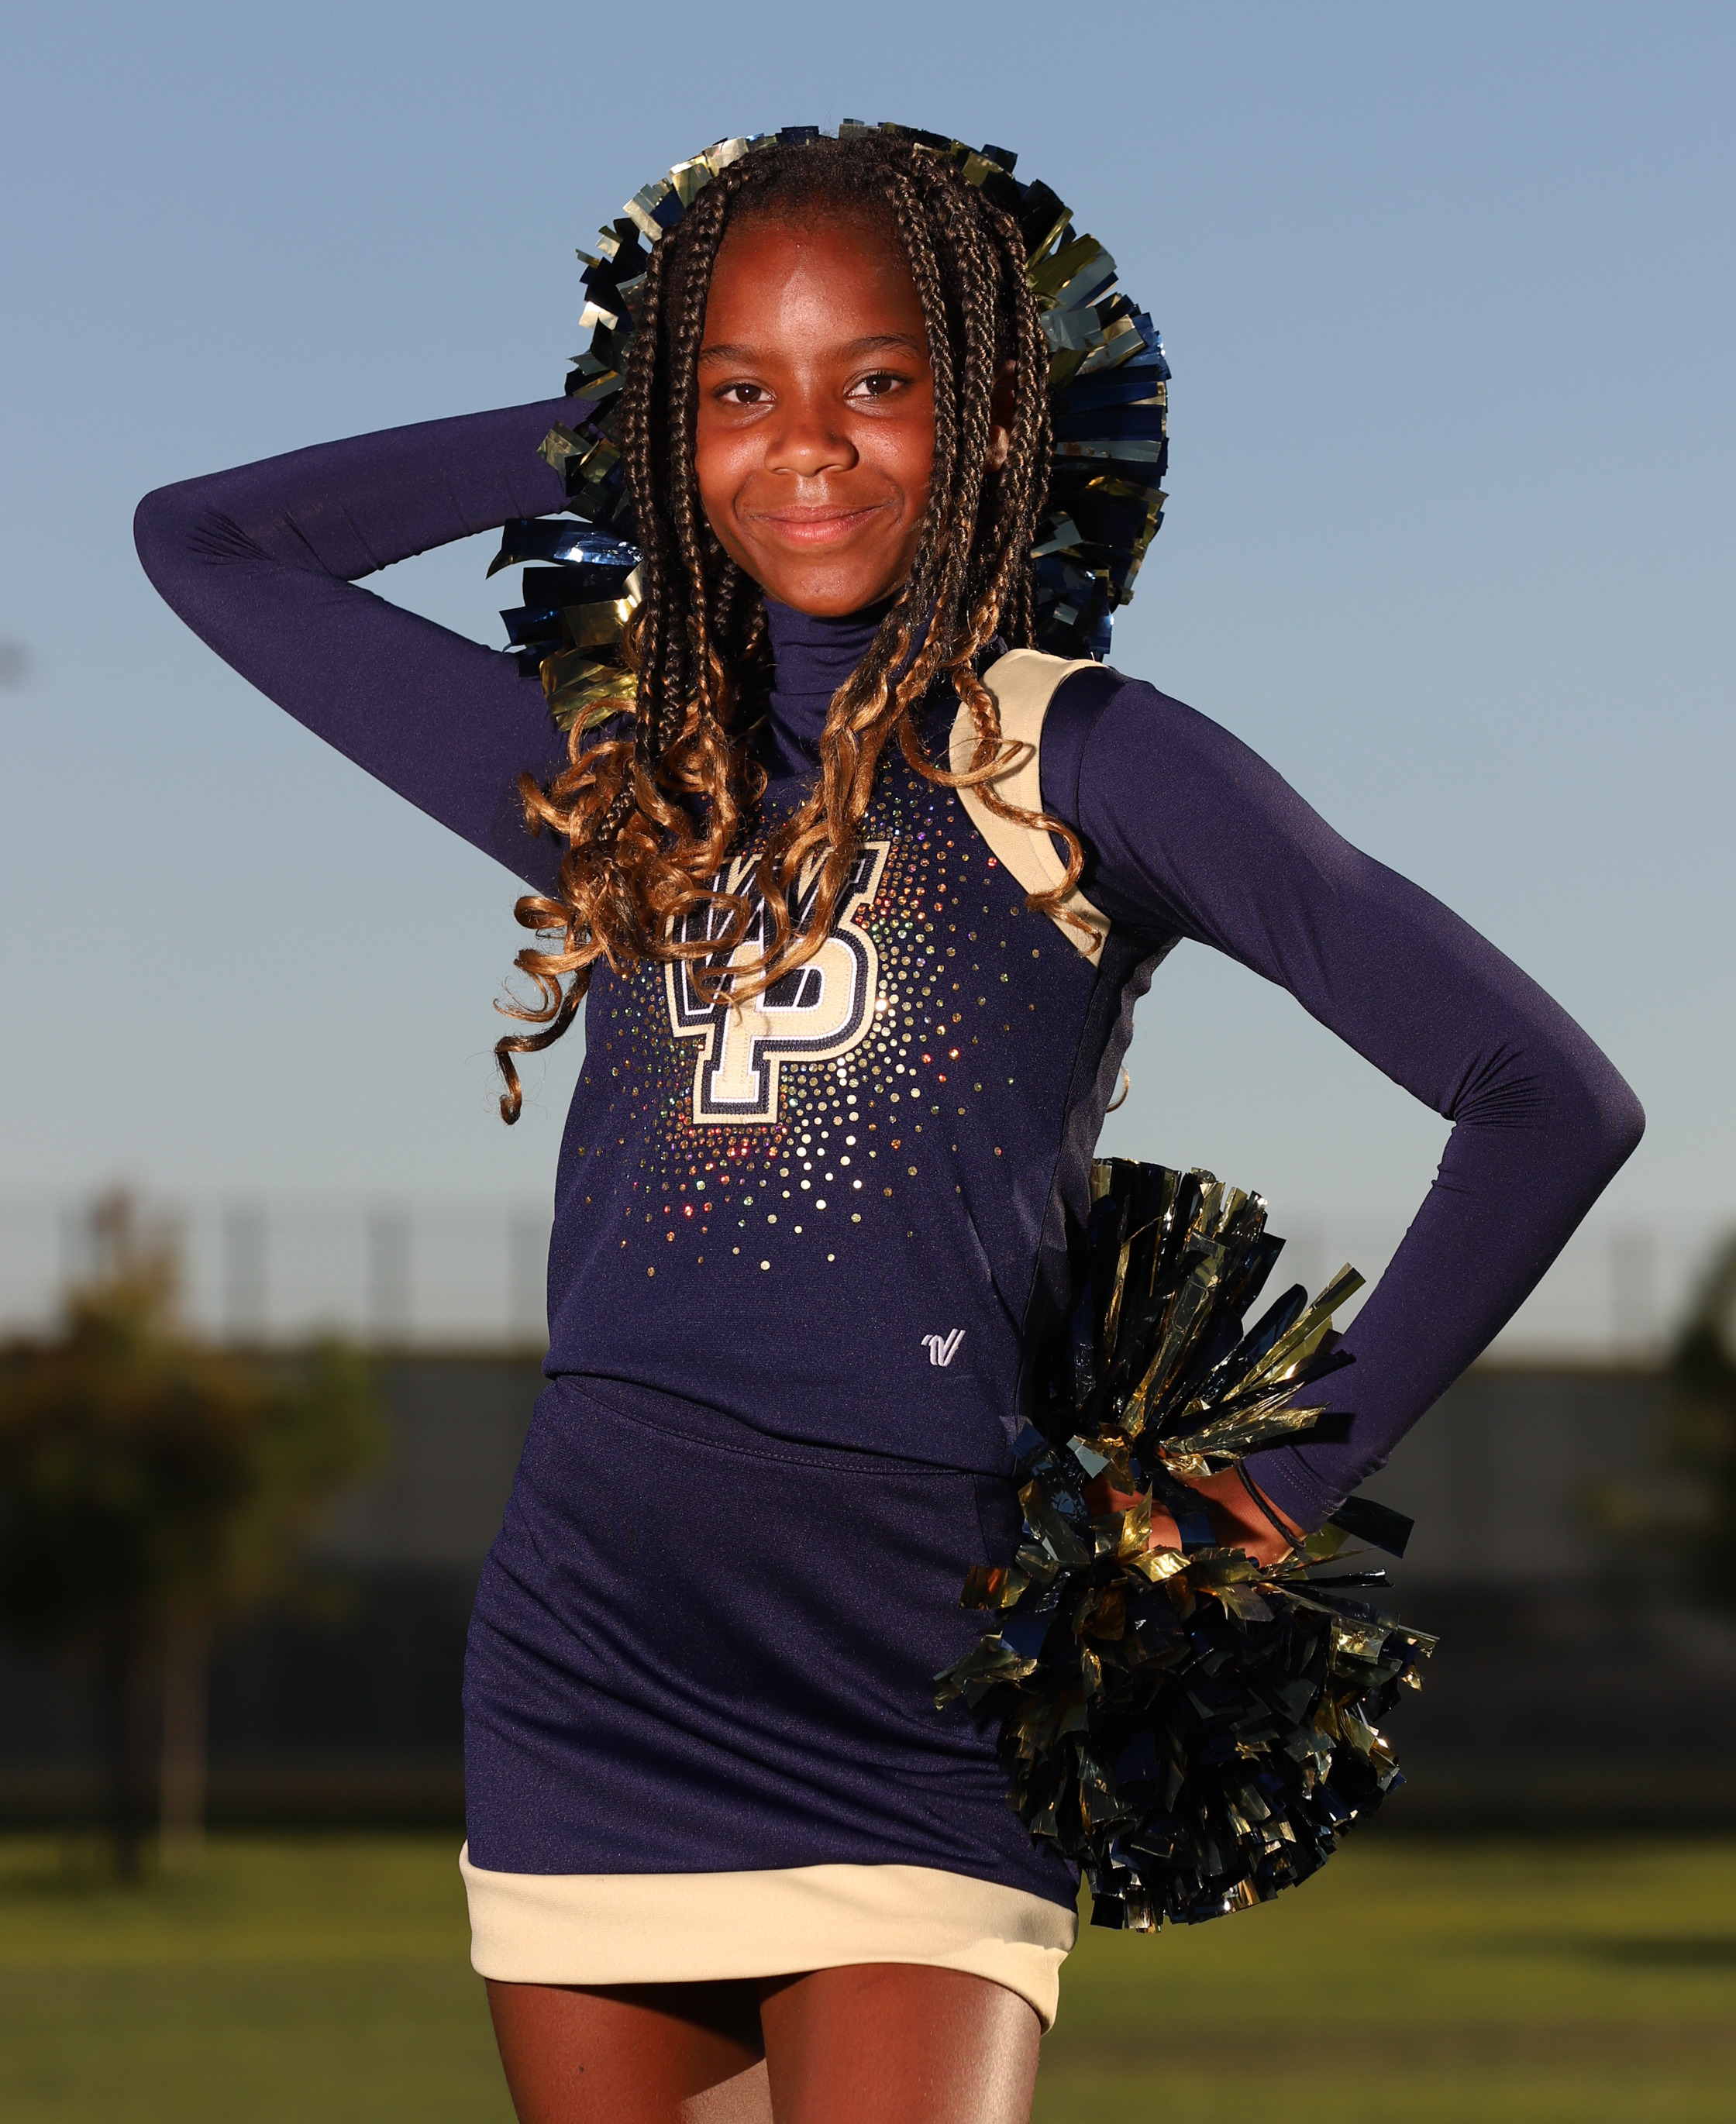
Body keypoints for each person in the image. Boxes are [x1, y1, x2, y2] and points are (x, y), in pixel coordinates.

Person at [134, 127, 1643, 2124]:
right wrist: (606, 430)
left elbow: (1547, 1099)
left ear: (992, 412)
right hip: (600, 1650)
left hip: (916, 1676)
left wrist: (1289, 1477)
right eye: (740, 392)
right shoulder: (625, 773)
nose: (808, 447)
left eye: (875, 381)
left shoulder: (1076, 759)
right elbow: (207, 545)